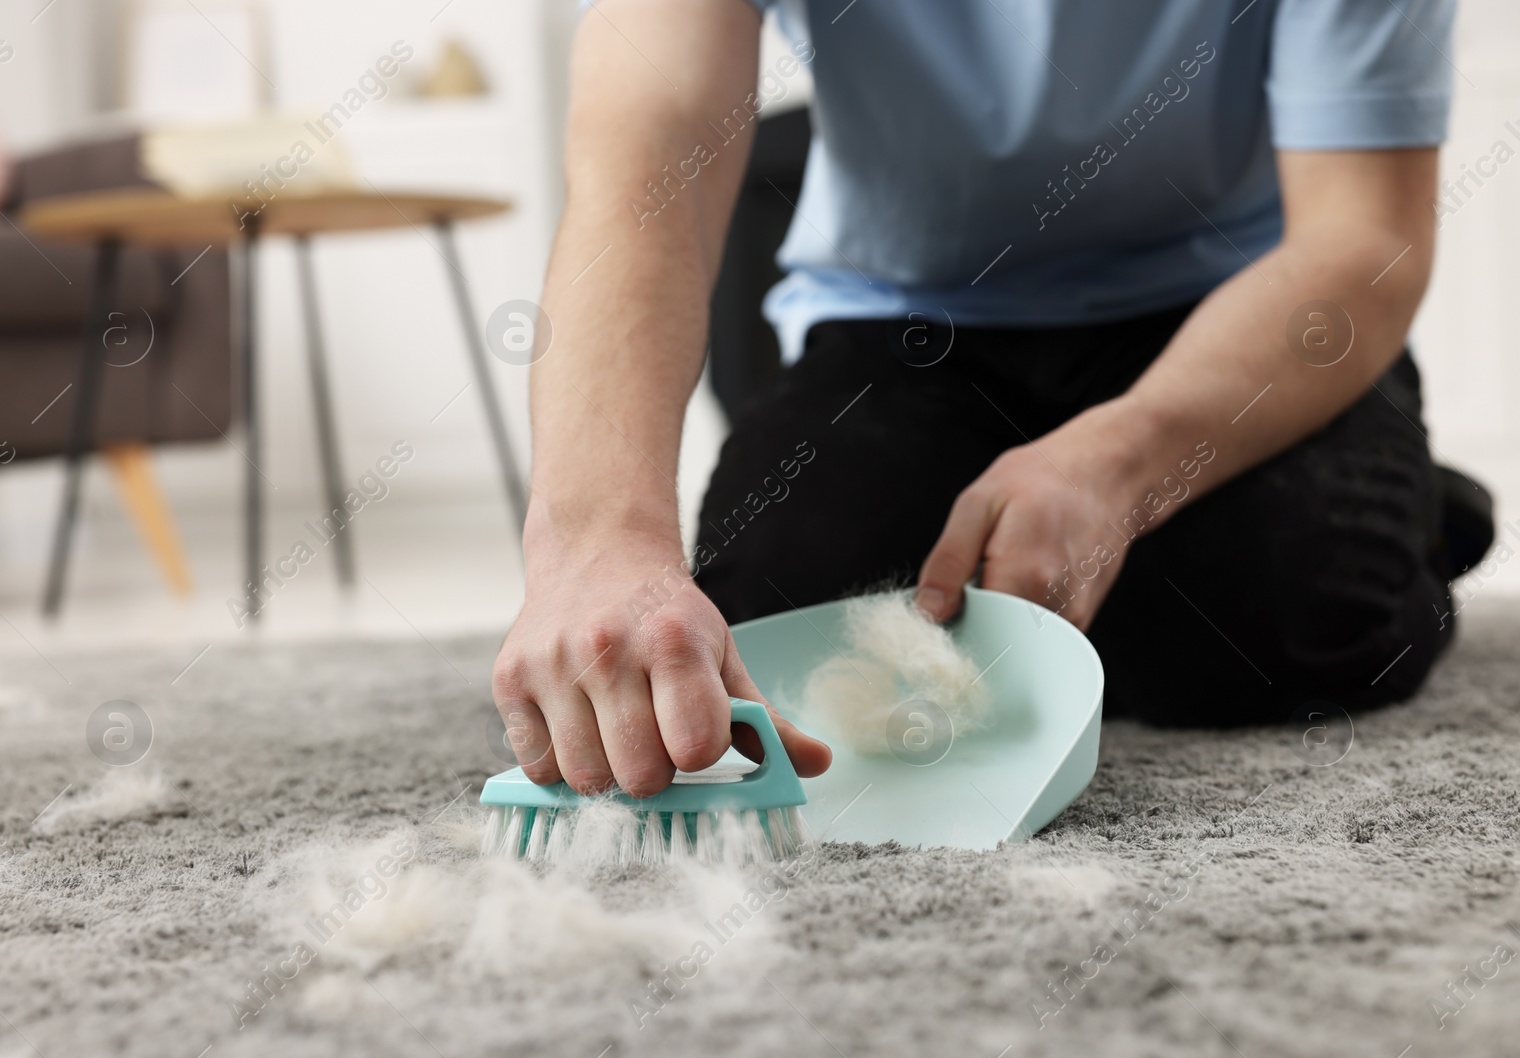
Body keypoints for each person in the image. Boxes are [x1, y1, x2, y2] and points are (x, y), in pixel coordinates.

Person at [492, 0, 1485, 798]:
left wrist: (1121, 467)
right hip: (908, 318)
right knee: (777, 608)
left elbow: (1359, 238)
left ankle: (1413, 511)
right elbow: (639, 177)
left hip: (1228, 316)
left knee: (1301, 617)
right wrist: (596, 538)